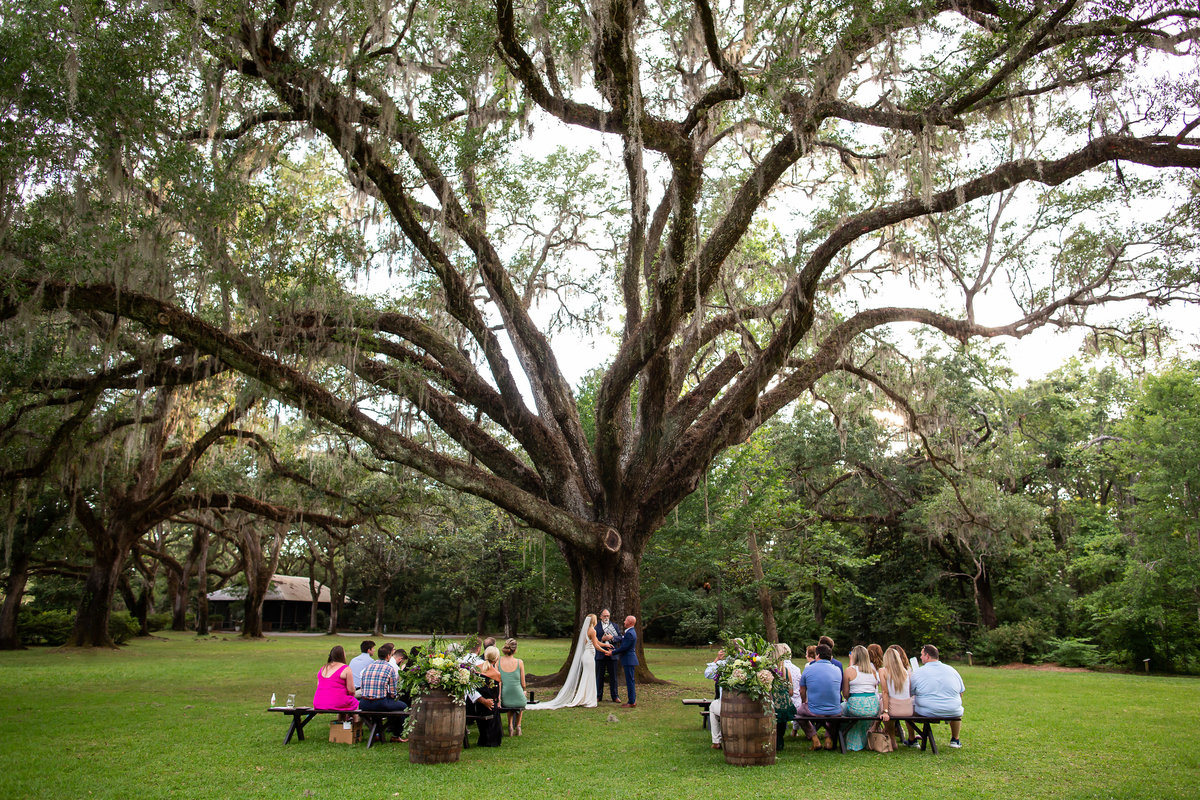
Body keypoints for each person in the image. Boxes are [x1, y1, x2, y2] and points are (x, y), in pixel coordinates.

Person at [527, 613, 611, 710]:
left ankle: (585, 698)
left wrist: (605, 645)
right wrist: (606, 652)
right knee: (589, 677)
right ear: (594, 620)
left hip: (587, 656)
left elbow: (595, 642)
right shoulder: (592, 630)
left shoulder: (587, 630)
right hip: (589, 656)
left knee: (587, 677)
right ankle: (586, 698)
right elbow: (596, 645)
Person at [910, 644, 965, 748]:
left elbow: (910, 692)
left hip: (928, 710)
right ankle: (955, 739)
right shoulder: (952, 670)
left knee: (907, 708)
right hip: (953, 710)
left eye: (921, 655)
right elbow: (961, 692)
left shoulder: (918, 672)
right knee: (955, 706)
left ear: (927, 656)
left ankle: (912, 739)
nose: (920, 657)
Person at [358, 643, 408, 741]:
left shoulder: (368, 667)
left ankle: (376, 732)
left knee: (388, 706)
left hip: (364, 703)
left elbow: (362, 686)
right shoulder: (390, 668)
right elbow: (393, 692)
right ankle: (396, 735)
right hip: (379, 703)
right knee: (403, 707)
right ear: (389, 655)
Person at [798, 643, 842, 750]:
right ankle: (828, 739)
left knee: (799, 713)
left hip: (814, 710)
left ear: (817, 655)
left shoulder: (808, 669)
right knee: (833, 716)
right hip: (835, 710)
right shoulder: (837, 670)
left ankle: (814, 738)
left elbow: (802, 691)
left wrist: (804, 702)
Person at [841, 644, 881, 751]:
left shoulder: (849, 670)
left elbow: (845, 694)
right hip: (873, 706)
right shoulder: (873, 672)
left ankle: (841, 737)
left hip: (857, 706)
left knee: (840, 709)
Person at [881, 645, 918, 747]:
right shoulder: (906, 672)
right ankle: (911, 737)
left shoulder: (883, 671)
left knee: (882, 702)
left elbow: (885, 692)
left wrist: (885, 711)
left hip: (893, 709)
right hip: (908, 709)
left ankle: (891, 738)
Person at [313, 645, 359, 716]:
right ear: (342, 655)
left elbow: (318, 685)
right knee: (354, 703)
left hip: (319, 702)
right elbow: (351, 690)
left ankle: (339, 724)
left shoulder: (323, 668)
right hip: (337, 702)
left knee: (345, 701)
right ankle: (355, 725)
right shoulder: (345, 668)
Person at [474, 646, 504, 747]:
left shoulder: (476, 669)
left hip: (477, 705)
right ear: (496, 658)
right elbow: (496, 693)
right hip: (489, 705)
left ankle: (483, 739)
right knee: (494, 706)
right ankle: (492, 740)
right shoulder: (496, 674)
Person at [498, 638, 528, 735]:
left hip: (505, 696)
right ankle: (518, 725)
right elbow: (523, 684)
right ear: (515, 650)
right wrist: (524, 690)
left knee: (510, 701)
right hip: (518, 697)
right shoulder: (519, 662)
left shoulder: (498, 661)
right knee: (521, 697)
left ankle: (510, 725)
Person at [773, 643, 798, 750]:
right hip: (784, 705)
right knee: (781, 722)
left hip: (772, 706)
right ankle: (780, 741)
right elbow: (791, 692)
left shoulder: (767, 671)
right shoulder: (786, 671)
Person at [595, 609, 622, 702]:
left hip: (612, 654)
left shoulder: (614, 626)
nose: (606, 617)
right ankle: (598, 696)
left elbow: (620, 637)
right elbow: (592, 638)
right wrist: (601, 639)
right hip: (600, 654)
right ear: (600, 616)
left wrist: (612, 638)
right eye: (604, 616)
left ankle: (615, 696)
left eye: (608, 616)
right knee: (599, 676)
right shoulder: (596, 626)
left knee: (613, 676)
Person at [703, 648, 728, 749]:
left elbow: (708, 674)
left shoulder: (724, 664)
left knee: (713, 706)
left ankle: (716, 741)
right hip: (748, 705)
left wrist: (717, 658)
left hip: (727, 704)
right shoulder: (750, 662)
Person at [613, 615, 638, 707]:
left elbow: (624, 647)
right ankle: (631, 700)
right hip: (629, 659)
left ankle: (631, 702)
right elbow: (623, 640)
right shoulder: (630, 632)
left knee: (630, 681)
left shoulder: (630, 633)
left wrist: (612, 653)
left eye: (626, 620)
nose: (624, 622)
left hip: (629, 659)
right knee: (630, 680)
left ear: (630, 622)